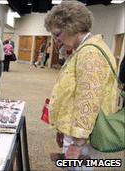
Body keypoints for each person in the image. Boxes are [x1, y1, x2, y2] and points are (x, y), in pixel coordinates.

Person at [44, 1, 117, 170]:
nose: (57, 40)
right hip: (75, 129)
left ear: (72, 27)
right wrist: (62, 128)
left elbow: (88, 101)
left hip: (83, 135)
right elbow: (73, 92)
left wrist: (77, 143)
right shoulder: (83, 49)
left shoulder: (90, 53)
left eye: (57, 34)